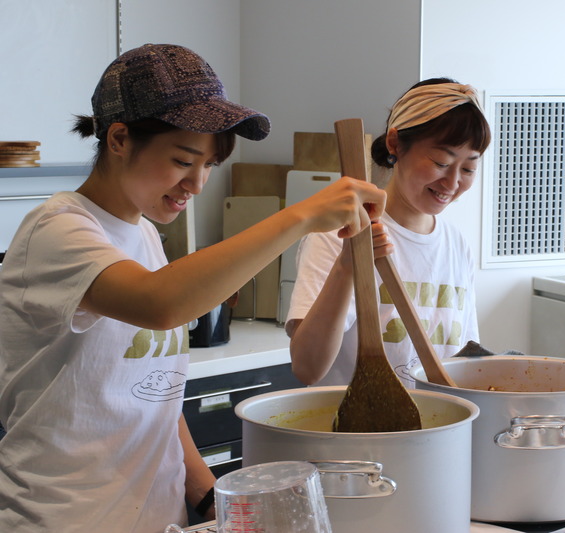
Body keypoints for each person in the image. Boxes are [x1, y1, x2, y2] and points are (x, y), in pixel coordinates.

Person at [0, 44, 385, 533]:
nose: (197, 184)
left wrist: (206, 497)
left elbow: (157, 393)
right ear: (119, 139)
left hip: (158, 519)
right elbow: (159, 302)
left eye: (209, 166)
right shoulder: (56, 230)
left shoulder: (143, 234)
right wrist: (301, 216)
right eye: (184, 160)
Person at [286, 78, 491, 387]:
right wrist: (347, 265)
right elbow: (307, 368)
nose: (452, 184)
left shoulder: (457, 245)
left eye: (467, 169)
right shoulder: (337, 236)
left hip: (440, 418)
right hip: (353, 419)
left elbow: (464, 363)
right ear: (395, 144)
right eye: (441, 162)